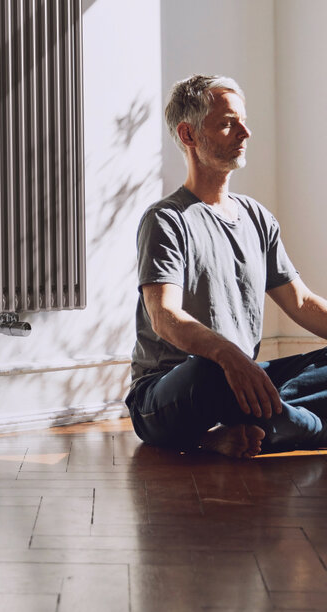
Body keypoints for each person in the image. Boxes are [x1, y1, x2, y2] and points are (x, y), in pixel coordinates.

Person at [127, 74, 327, 458]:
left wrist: (239, 364)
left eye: (243, 120)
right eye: (227, 122)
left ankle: (255, 426)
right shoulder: (167, 219)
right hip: (171, 390)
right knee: (212, 370)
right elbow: (164, 316)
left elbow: (300, 302)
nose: (245, 132)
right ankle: (295, 427)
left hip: (240, 380)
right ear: (188, 136)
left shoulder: (257, 217)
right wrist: (229, 355)